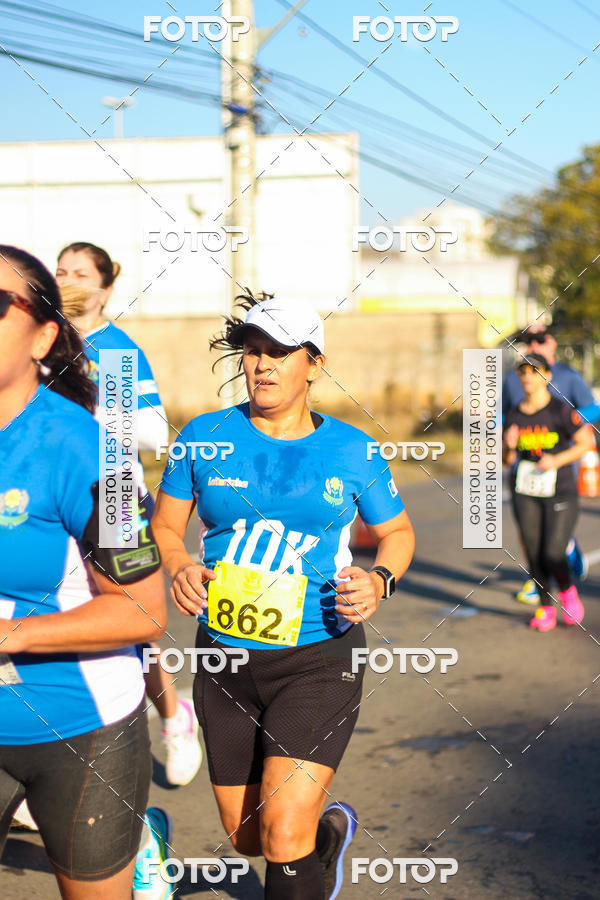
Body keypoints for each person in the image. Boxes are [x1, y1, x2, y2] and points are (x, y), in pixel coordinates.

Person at [151, 292, 415, 900]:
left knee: (281, 830)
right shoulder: (203, 437)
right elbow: (165, 526)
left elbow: (396, 533)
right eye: (253, 351)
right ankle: (325, 840)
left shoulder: (352, 450)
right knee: (247, 837)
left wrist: (379, 581)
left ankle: (303, 838)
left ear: (313, 364)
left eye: (279, 352)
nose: (262, 364)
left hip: (320, 654)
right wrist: (180, 563)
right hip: (226, 657)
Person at [0, 246, 167, 899]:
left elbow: (145, 611)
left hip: (79, 723)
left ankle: (145, 817)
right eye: (61, 269)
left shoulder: (98, 447)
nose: (71, 279)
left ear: (44, 334)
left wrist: (7, 637)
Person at [55, 243, 202, 788]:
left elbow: (153, 433)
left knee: (128, 626)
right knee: (58, 619)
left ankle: (172, 717)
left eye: (80, 273)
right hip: (53, 498)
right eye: (61, 271)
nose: (68, 280)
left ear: (105, 288)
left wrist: (90, 406)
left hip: (114, 496)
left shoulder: (116, 350)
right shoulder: (43, 341)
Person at [503, 325, 600, 603]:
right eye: (527, 342)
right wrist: (505, 435)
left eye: (539, 340)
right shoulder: (513, 378)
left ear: (553, 343)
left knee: (553, 543)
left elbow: (594, 408)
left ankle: (567, 554)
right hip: (525, 470)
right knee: (532, 537)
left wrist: (570, 419)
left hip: (558, 465)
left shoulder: (568, 376)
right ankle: (538, 581)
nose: (533, 346)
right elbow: (503, 414)